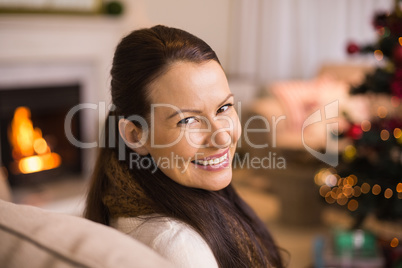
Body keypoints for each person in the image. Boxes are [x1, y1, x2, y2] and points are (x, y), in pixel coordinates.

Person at [84, 25, 284, 268]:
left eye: (224, 108)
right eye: (188, 120)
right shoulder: (178, 247)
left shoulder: (121, 194)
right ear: (135, 135)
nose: (222, 138)